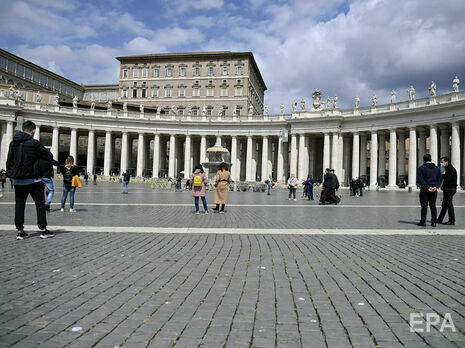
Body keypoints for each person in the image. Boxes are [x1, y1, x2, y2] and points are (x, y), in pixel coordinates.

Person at [6, 120, 54, 240]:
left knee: (19, 205)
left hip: (18, 179)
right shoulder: (34, 143)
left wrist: (12, 174)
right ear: (33, 131)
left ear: (22, 130)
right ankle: (43, 230)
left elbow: (9, 161)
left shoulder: (13, 143)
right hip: (33, 180)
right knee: (40, 204)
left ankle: (20, 231)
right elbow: (49, 156)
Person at [416, 154, 442, 227]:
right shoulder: (437, 168)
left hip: (425, 189)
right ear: (431, 159)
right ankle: (434, 222)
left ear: (424, 160)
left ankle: (423, 222)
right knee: (433, 206)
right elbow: (440, 179)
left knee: (424, 206)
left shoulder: (421, 168)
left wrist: (428, 187)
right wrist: (436, 187)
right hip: (434, 190)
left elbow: (421, 179)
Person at [437, 156, 457, 225]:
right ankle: (440, 219)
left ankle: (452, 220)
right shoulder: (447, 168)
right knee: (444, 205)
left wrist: (443, 175)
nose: (441, 163)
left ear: (446, 162)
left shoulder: (450, 169)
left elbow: (448, 179)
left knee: (449, 204)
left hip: (450, 189)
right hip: (448, 188)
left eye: (442, 162)